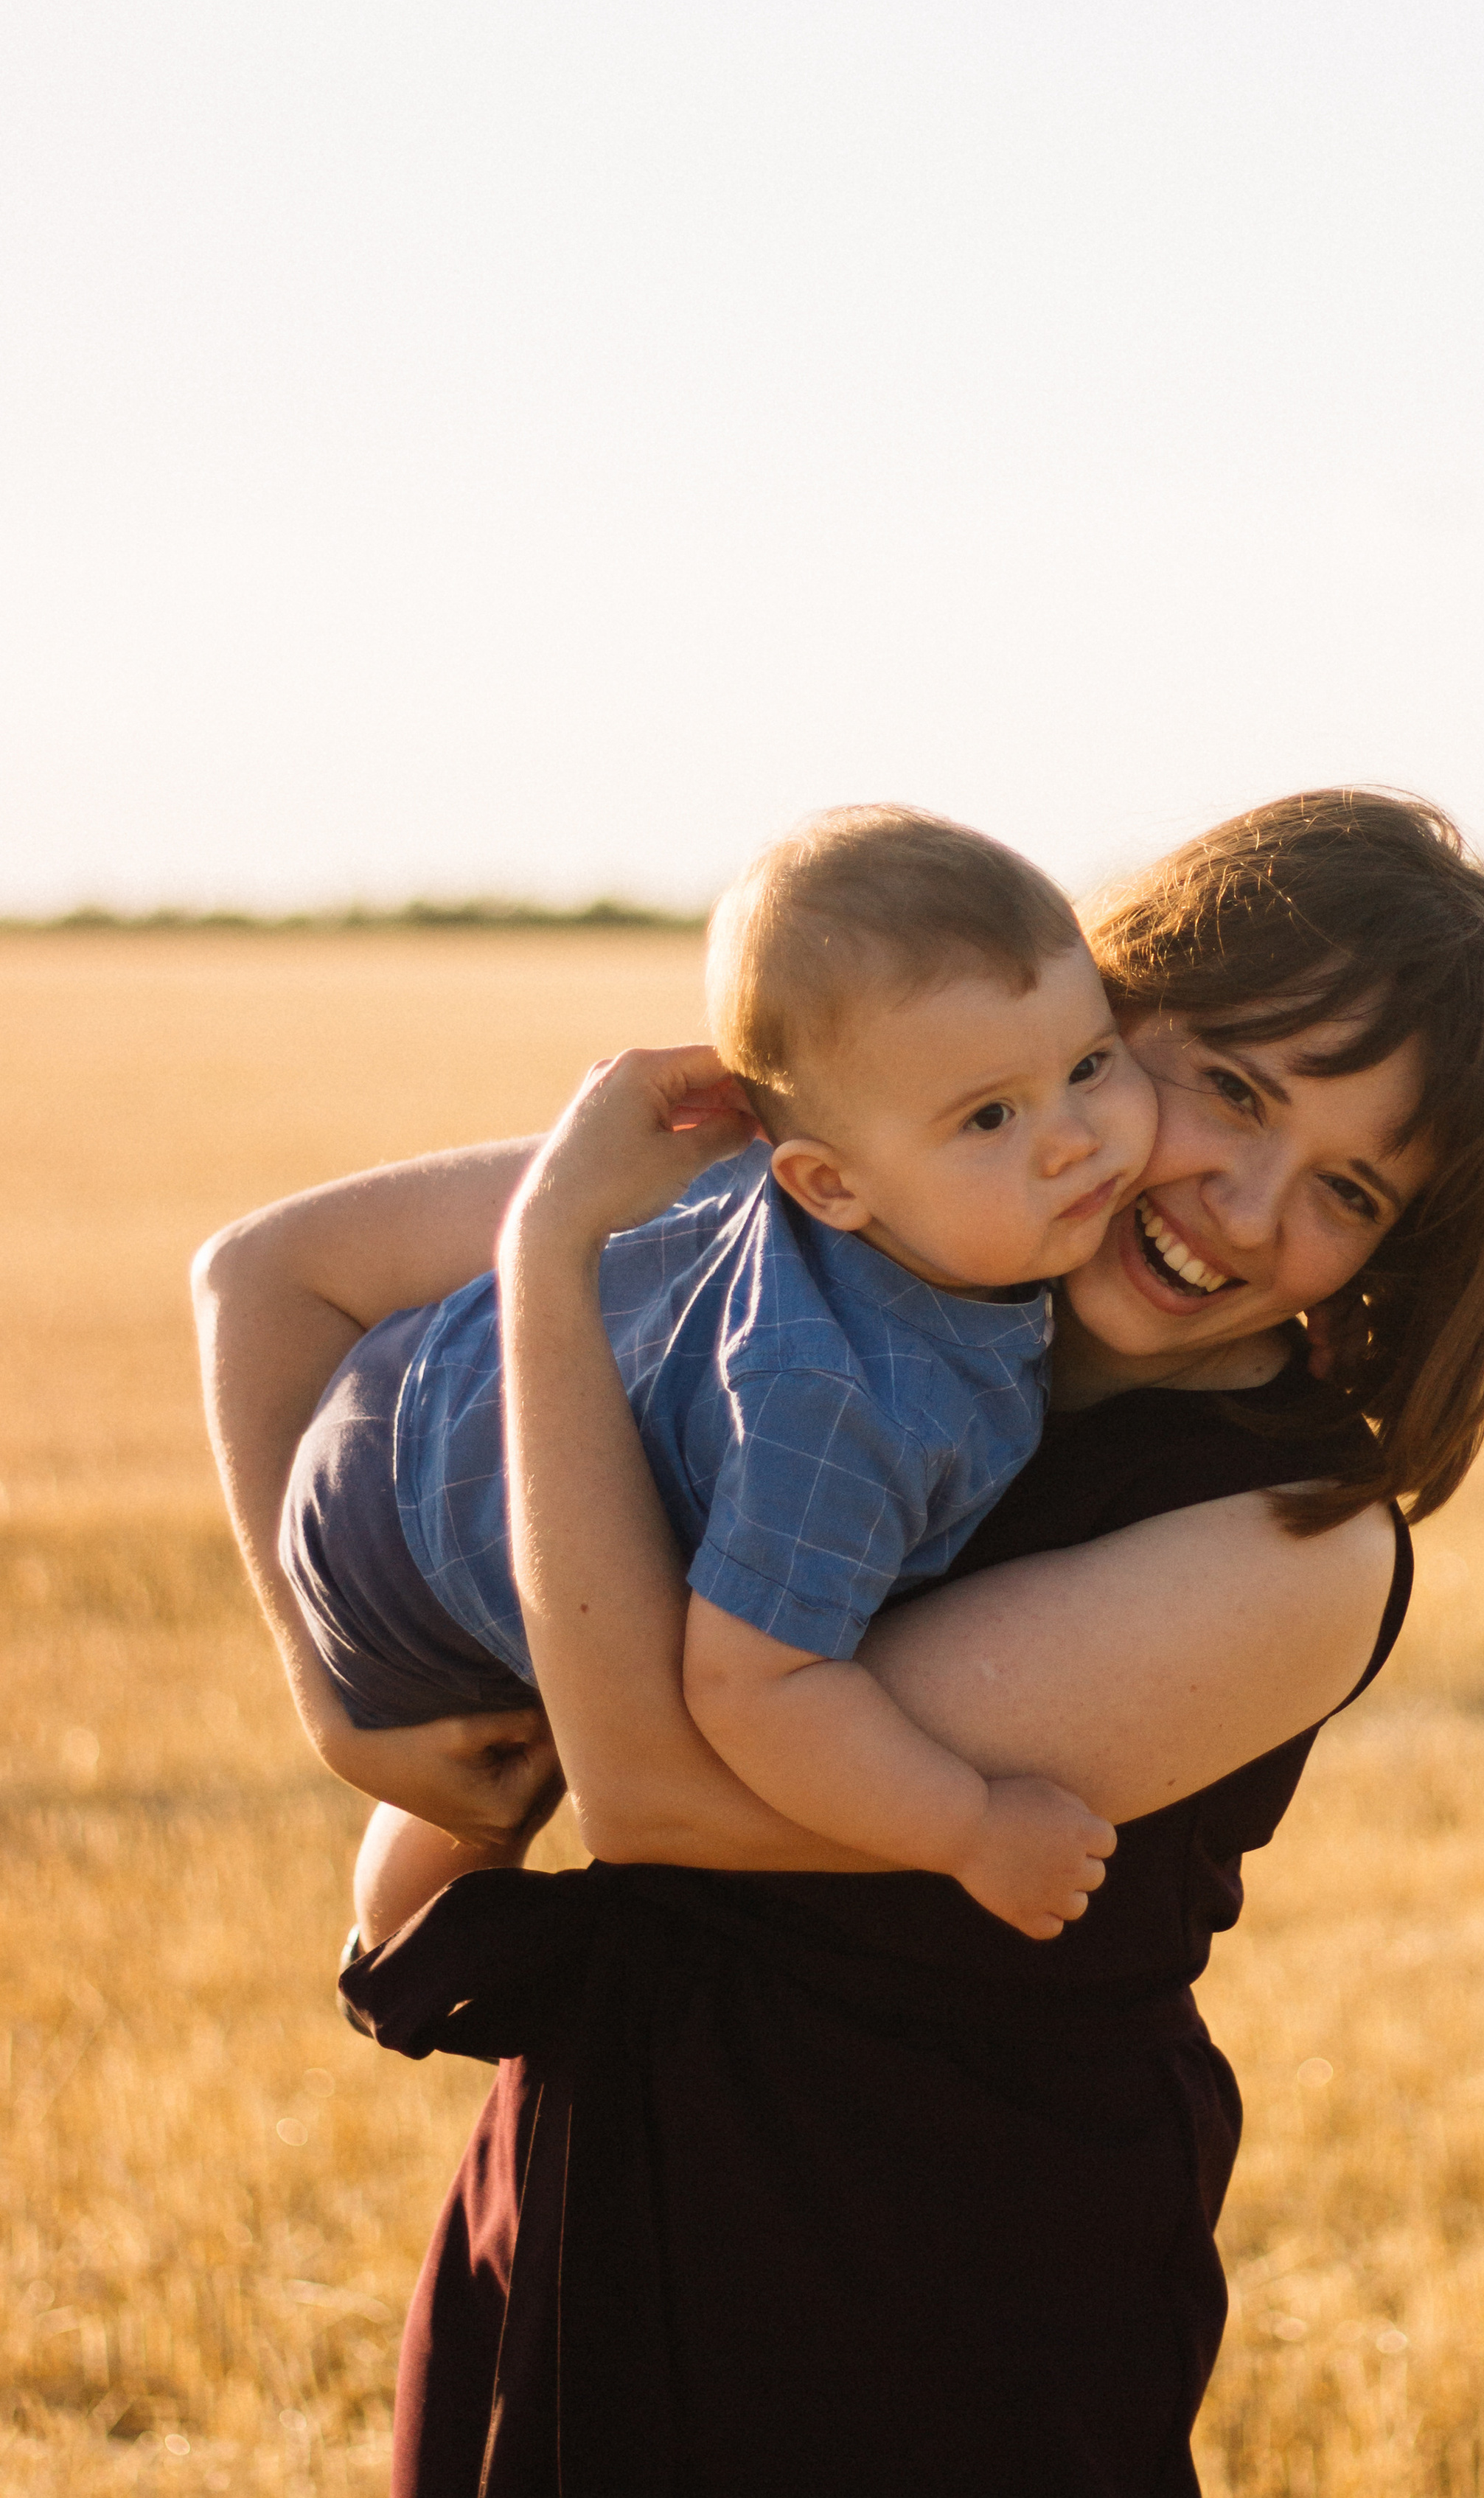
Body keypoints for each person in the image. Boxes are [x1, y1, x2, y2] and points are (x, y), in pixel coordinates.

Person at [192, 787, 1484, 2498]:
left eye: (1352, 1190)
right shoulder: (826, 1196)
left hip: (934, 2313)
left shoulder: (1296, 1543)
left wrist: (556, 1256)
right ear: (1096, 1018)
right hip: (599, 2195)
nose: (1252, 1211)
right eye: (1235, 1093)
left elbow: (661, 1791)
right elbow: (264, 1277)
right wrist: (343, 1694)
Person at [276, 806, 1152, 1940]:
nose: (1074, 1137)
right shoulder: (848, 1403)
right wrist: (969, 1827)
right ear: (828, 1185)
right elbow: (757, 1687)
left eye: (1089, 1064)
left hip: (429, 1382)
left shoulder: (904, 1211)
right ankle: (394, 1950)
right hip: (404, 1538)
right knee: (516, 1750)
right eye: (990, 1115)